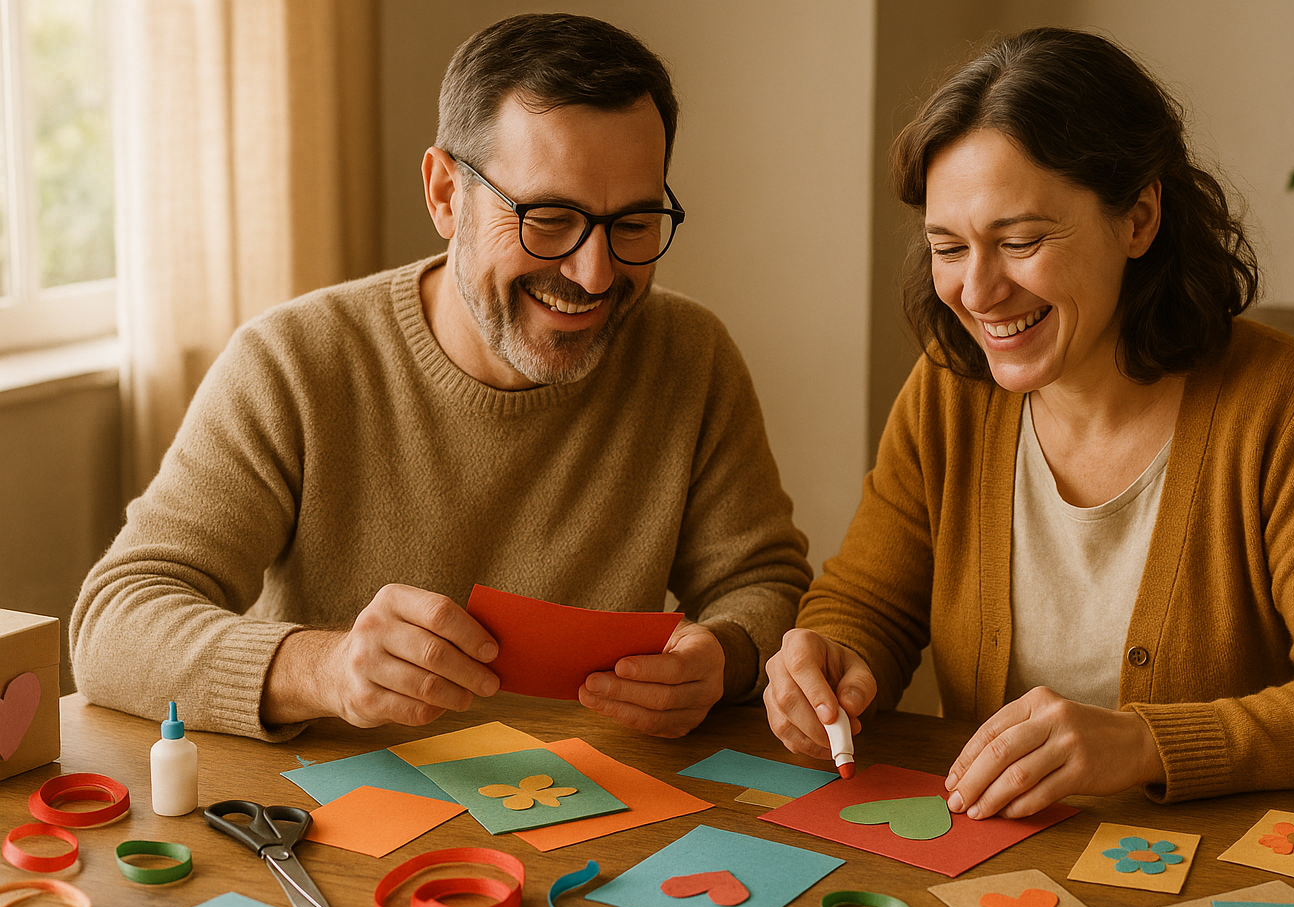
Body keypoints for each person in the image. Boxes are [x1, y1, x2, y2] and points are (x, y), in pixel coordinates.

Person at [72, 13, 811, 741]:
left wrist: (725, 657)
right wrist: (323, 669)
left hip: (597, 809)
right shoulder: (294, 362)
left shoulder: (690, 354)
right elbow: (114, 624)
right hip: (325, 822)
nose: (594, 272)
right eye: (549, 217)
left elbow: (764, 585)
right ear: (445, 194)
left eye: (634, 224)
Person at [764, 28, 1294, 814]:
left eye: (1019, 241)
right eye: (948, 247)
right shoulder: (950, 391)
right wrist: (826, 664)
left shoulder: (1287, 405)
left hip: (1219, 888)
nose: (977, 292)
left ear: (1139, 218)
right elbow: (868, 605)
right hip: (993, 867)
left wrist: (1148, 743)